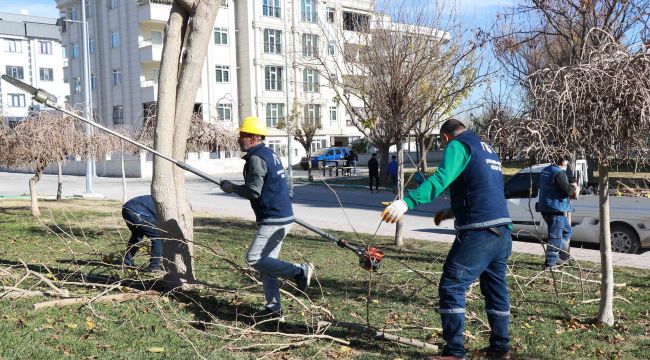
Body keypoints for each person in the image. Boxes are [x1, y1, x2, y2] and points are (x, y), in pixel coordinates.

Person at [381, 119, 512, 360]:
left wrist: (406, 202)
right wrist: (453, 210)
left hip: (479, 231)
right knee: (496, 289)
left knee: (452, 285)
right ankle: (500, 348)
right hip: (502, 230)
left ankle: (454, 352)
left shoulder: (457, 145)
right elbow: (481, 187)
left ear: (445, 138)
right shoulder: (487, 149)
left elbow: (442, 178)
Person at [221, 116, 313, 320]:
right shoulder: (271, 153)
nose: (239, 139)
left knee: (254, 259)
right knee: (268, 264)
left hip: (274, 218)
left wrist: (231, 188)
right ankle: (273, 308)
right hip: (283, 215)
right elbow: (286, 183)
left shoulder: (256, 158)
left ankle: (298, 271)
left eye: (242, 135)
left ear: (253, 138)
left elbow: (253, 191)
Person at [538, 156, 577, 269]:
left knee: (566, 231)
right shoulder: (558, 173)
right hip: (555, 209)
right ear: (562, 161)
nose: (567, 163)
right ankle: (550, 263)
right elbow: (568, 190)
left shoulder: (546, 170)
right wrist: (574, 187)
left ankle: (556, 254)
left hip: (546, 206)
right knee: (555, 237)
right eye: (566, 160)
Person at [122, 195, 162, 271]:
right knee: (158, 237)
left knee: (137, 235)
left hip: (127, 208)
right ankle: (154, 267)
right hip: (137, 211)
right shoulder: (169, 207)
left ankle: (127, 262)